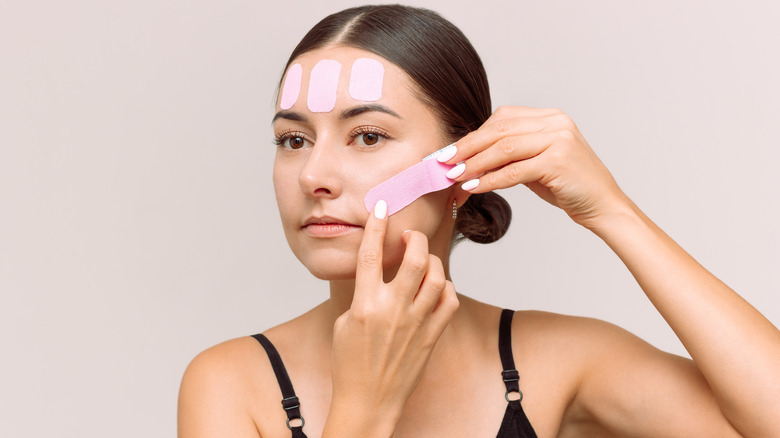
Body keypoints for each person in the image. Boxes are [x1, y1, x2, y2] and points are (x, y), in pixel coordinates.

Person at [177, 5, 780, 437]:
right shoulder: (230, 384)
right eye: (292, 140)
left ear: (460, 166)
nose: (314, 175)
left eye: (366, 135)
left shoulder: (562, 361)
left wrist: (611, 211)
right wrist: (365, 406)